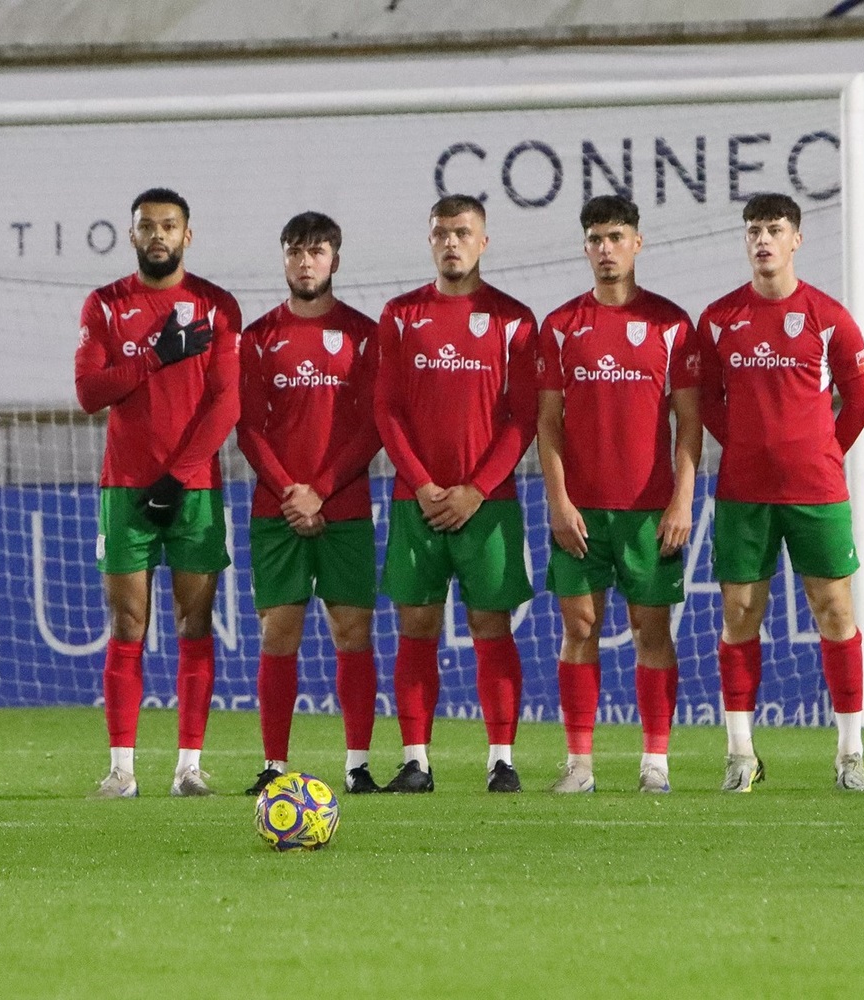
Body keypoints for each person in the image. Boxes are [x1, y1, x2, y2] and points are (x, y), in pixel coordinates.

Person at [694, 192, 864, 793]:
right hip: (744, 493)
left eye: (774, 229)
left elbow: (861, 399)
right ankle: (741, 753)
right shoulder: (719, 319)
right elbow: (709, 405)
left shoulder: (828, 317)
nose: (763, 240)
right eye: (753, 230)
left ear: (796, 239)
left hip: (816, 493)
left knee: (834, 610)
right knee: (740, 614)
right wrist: (748, 446)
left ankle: (850, 754)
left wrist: (820, 454)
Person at [74, 187, 242, 798]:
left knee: (194, 622)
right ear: (132, 234)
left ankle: (188, 768)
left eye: (169, 226)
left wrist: (179, 475)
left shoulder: (217, 305)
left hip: (193, 487)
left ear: (187, 235)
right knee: (128, 622)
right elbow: (90, 393)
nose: (158, 236)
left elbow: (227, 402)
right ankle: (121, 771)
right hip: (124, 487)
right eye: (147, 226)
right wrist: (153, 355)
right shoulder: (106, 304)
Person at [535, 195, 700, 795]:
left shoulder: (671, 324)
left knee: (651, 632)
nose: (606, 249)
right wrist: (558, 501)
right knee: (579, 627)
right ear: (585, 248)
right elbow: (547, 424)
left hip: (649, 511)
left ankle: (654, 762)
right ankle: (579, 764)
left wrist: (681, 502)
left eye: (616, 237)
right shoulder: (560, 327)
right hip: (581, 510)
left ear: (637, 243)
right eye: (596, 239)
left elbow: (689, 423)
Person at [375, 194, 539, 794]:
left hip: (487, 506)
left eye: (463, 232)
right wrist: (422, 485)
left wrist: (475, 489)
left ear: (483, 242)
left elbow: (524, 417)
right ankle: (416, 760)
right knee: (416, 623)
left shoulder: (514, 319)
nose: (452, 242)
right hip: (414, 501)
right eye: (442, 232)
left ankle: (501, 759)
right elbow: (386, 411)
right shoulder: (398, 315)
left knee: (490, 623)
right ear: (430, 240)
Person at [236, 211, 384, 796]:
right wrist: (291, 492)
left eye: (316, 252)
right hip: (277, 510)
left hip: (343, 506)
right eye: (295, 251)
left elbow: (373, 426)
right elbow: (248, 429)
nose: (305, 262)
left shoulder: (365, 334)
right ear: (284, 259)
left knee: (353, 632)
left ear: (335, 261)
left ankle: (357, 765)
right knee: (280, 633)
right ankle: (274, 766)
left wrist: (320, 488)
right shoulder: (257, 336)